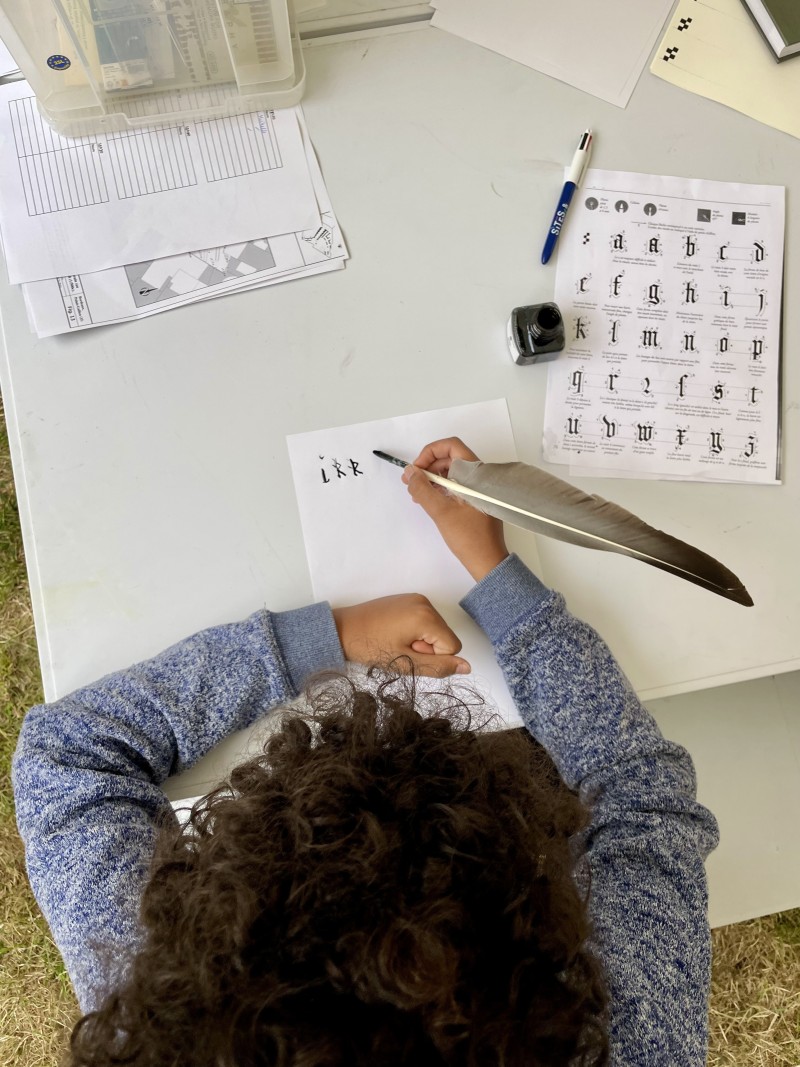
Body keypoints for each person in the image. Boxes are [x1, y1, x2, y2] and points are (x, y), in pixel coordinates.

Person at [12, 438, 719, 1067]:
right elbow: (642, 798)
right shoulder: (631, 1037)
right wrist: (493, 572)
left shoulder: (169, 1017)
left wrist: (322, 638)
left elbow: (69, 758)